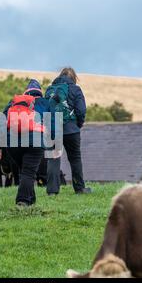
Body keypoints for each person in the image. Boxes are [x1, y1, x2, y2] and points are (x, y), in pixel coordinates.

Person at [0, 79, 54, 207]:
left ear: (25, 92)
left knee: (24, 171)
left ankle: (31, 200)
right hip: (35, 140)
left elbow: (2, 122)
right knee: (28, 172)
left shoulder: (13, 103)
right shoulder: (44, 102)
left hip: (12, 142)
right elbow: (53, 124)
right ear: (40, 92)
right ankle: (22, 201)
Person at [45, 67, 91, 195]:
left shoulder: (50, 90)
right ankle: (80, 188)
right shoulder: (75, 89)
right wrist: (78, 125)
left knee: (53, 159)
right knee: (75, 158)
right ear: (74, 78)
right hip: (71, 129)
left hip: (53, 129)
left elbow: (46, 110)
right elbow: (81, 110)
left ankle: (52, 191)